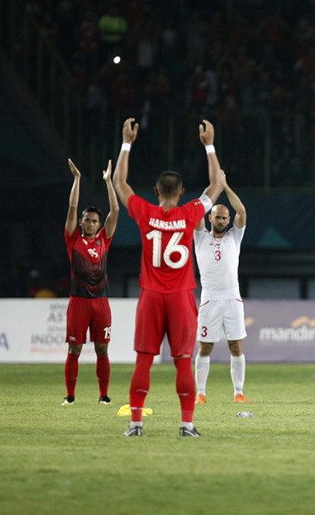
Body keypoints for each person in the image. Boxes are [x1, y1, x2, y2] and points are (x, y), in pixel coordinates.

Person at [113, 117, 223, 437]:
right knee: (183, 361)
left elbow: (120, 183)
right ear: (182, 192)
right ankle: (186, 425)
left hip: (151, 294)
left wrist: (127, 143)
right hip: (181, 295)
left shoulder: (145, 212)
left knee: (144, 361)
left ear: (156, 191)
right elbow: (216, 185)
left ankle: (135, 424)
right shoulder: (190, 214)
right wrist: (209, 145)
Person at [62, 159, 118, 406]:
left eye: (96, 221)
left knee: (102, 350)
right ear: (82, 222)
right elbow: (72, 207)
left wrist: (108, 182)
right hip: (79, 303)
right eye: (89, 220)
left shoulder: (105, 239)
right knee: (74, 351)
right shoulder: (72, 238)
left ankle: (103, 396)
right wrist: (77, 179)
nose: (92, 224)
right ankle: (70, 396)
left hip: (101, 303)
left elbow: (115, 212)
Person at [193, 170, 251, 404]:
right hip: (209, 299)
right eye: (217, 217)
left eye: (224, 218)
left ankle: (238, 392)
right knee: (204, 347)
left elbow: (242, 212)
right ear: (210, 218)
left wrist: (225, 186)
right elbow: (196, 209)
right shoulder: (200, 236)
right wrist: (212, 188)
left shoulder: (234, 237)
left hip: (232, 298)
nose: (221, 220)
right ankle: (201, 394)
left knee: (236, 346)